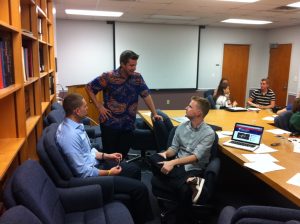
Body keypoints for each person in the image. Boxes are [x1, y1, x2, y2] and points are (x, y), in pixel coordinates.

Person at [56, 93, 153, 224]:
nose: (87, 108)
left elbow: (87, 152)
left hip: (96, 164)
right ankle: (144, 220)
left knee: (134, 170)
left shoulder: (76, 125)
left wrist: (106, 155)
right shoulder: (69, 136)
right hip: (92, 176)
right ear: (77, 111)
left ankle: (130, 207)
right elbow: (83, 172)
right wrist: (108, 173)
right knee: (140, 189)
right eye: (85, 106)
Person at [149, 96, 215, 224]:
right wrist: (165, 155)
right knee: (153, 158)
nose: (186, 107)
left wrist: (172, 162)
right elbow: (173, 149)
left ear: (198, 113)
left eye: (190, 106)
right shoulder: (181, 127)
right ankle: (193, 183)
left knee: (184, 190)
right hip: (178, 167)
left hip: (194, 168)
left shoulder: (209, 133)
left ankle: (183, 218)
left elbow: (196, 157)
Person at [86, 50, 162, 158]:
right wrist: (99, 106)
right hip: (110, 124)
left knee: (122, 155)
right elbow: (89, 87)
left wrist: (154, 113)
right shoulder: (108, 76)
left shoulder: (137, 77)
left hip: (128, 125)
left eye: (135, 65)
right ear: (122, 64)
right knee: (110, 157)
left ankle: (121, 173)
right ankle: (110, 174)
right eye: (131, 65)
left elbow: (146, 95)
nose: (134, 68)